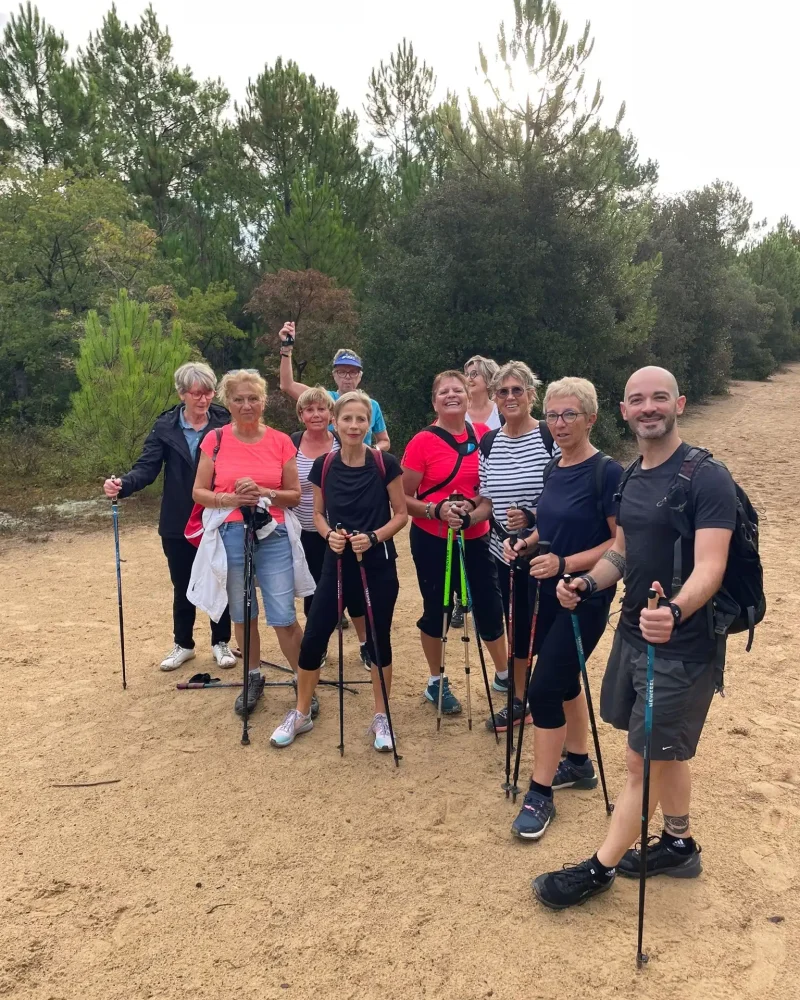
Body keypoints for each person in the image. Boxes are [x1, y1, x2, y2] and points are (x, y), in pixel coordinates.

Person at [533, 366, 736, 909]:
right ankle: (678, 842)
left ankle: (597, 870)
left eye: (659, 398)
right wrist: (584, 579)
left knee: (639, 762)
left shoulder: (705, 477)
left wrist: (674, 609)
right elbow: (622, 553)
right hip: (632, 631)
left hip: (680, 645)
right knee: (663, 750)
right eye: (637, 400)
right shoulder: (630, 477)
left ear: (679, 404)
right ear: (623, 411)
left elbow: (710, 566)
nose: (648, 408)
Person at [501, 377, 622, 840]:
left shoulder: (607, 473)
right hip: (545, 588)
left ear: (591, 418)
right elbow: (549, 527)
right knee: (563, 676)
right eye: (552, 415)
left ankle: (540, 793)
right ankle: (578, 762)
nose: (559, 423)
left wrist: (565, 563)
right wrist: (526, 543)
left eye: (570, 414)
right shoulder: (554, 467)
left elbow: (617, 543)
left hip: (584, 596)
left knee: (544, 690)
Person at [269, 390, 408, 752]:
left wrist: (374, 537)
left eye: (361, 419)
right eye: (347, 418)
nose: (354, 425)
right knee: (315, 636)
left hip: (377, 561)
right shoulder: (324, 465)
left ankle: (381, 715)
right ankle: (301, 712)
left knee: (379, 640)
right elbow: (317, 513)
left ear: (369, 423)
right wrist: (330, 534)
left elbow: (401, 514)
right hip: (336, 562)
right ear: (335, 421)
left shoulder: (385, 462)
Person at [103, 362, 235, 672]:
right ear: (181, 393)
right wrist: (122, 485)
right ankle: (184, 644)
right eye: (195, 393)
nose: (203, 400)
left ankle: (221, 642)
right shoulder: (165, 426)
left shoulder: (225, 421)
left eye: (208, 393)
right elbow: (147, 468)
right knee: (183, 583)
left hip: (219, 514)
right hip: (177, 519)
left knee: (221, 579)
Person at [192, 369, 304, 718]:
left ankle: (304, 679)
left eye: (253, 398)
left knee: (283, 615)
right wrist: (230, 500)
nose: (246, 405)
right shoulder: (215, 439)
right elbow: (199, 491)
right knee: (243, 612)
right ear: (228, 402)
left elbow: (294, 495)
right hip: (231, 532)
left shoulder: (281, 440)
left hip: (274, 532)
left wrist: (263, 493)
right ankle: (252, 675)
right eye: (238, 399)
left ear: (263, 401)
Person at [401, 370, 508, 717]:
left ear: (468, 396)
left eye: (457, 389)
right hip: (434, 539)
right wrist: (436, 509)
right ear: (434, 401)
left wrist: (474, 511)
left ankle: (506, 676)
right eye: (443, 391)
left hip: (477, 536)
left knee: (490, 608)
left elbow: (491, 490)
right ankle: (436, 682)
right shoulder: (422, 442)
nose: (451, 395)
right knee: (439, 610)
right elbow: (402, 498)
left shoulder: (485, 436)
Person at [476, 361, 554, 730]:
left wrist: (532, 517)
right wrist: (466, 515)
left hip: (547, 554)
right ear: (493, 397)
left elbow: (566, 497)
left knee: (548, 629)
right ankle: (522, 700)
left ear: (531, 394)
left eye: (516, 390)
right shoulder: (489, 442)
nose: (509, 397)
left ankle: (550, 695)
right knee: (517, 627)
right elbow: (487, 501)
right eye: (502, 391)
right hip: (504, 554)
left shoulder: (550, 435)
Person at [292, 386, 372, 669]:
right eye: (309, 410)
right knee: (314, 592)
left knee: (356, 593)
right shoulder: (292, 444)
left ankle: (366, 644)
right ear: (301, 414)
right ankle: (319, 644)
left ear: (331, 414)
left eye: (321, 409)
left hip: (345, 532)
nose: (316, 415)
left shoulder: (344, 440)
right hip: (305, 530)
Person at [278, 322, 390, 450]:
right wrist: (287, 347)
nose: (347, 377)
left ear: (360, 375)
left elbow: (385, 441)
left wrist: (373, 450)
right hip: (328, 464)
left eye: (353, 372)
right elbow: (287, 385)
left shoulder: (372, 405)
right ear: (334, 375)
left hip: (361, 465)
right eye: (342, 372)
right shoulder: (323, 399)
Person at [464, 355, 502, 430]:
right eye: (467, 375)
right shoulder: (458, 410)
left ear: (489, 379)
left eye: (474, 374)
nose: (468, 379)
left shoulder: (501, 410)